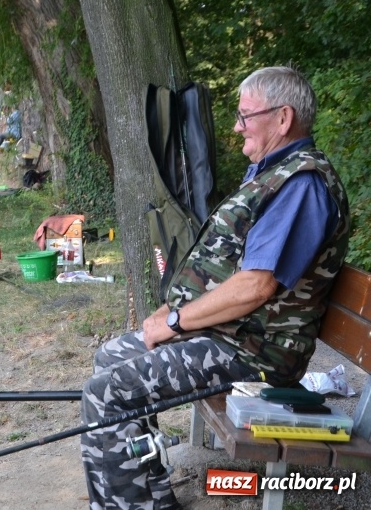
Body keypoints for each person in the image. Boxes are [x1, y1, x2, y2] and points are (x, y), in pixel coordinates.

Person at [80, 66, 350, 510]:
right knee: (109, 359)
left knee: (109, 392)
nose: (236, 126)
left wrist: (174, 322)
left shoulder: (301, 184)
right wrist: (173, 313)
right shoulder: (273, 173)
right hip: (232, 337)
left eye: (245, 116)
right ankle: (148, 495)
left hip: (257, 354)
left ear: (283, 119)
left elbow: (255, 287)